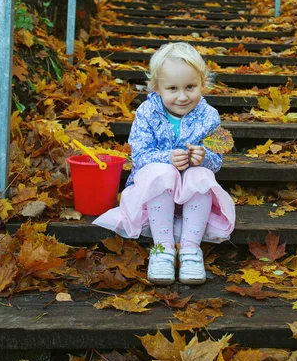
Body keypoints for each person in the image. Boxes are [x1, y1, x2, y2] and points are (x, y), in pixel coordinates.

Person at [93, 42, 235, 285]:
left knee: (200, 174)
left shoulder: (209, 116)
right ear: (157, 88)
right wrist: (167, 158)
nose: (182, 97)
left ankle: (191, 249)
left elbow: (216, 159)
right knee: (162, 171)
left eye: (190, 87)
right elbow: (139, 156)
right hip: (155, 199)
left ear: (203, 83)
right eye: (172, 88)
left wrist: (204, 157)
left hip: (192, 202)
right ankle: (163, 249)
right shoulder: (147, 112)